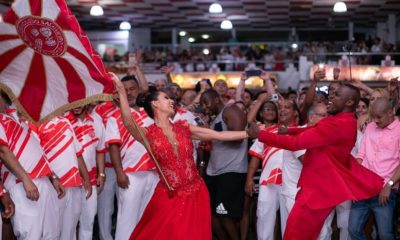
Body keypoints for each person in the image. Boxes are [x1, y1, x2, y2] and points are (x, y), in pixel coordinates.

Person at [111, 72, 254, 240]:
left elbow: (218, 136)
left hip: (195, 192)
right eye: (166, 98)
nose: (172, 100)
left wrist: (247, 134)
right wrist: (121, 91)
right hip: (169, 195)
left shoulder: (184, 127)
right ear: (155, 103)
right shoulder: (147, 134)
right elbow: (128, 122)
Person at [255, 84, 384, 239]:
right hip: (321, 189)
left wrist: (261, 135)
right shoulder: (345, 120)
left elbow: (295, 144)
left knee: (293, 235)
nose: (330, 96)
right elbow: (315, 130)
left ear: (349, 102)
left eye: (336, 94)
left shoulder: (335, 124)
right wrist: (290, 130)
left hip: (316, 192)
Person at [349, 97, 400, 240]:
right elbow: (361, 154)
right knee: (353, 230)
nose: (376, 120)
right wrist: (354, 179)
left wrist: (389, 186)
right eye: (373, 116)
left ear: (390, 112)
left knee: (384, 234)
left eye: (379, 117)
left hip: (385, 191)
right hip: (363, 188)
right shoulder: (370, 127)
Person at [201, 89, 248, 240]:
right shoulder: (215, 119)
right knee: (211, 214)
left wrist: (210, 133)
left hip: (231, 170)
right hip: (214, 172)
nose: (204, 107)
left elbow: (239, 137)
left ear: (216, 99)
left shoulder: (231, 110)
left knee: (225, 215)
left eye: (206, 102)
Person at [65, 106, 106, 240]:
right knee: (68, 225)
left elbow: (100, 150)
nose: (76, 105)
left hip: (91, 181)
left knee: (88, 223)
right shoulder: (64, 120)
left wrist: (101, 174)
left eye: (80, 101)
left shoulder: (96, 121)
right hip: (69, 182)